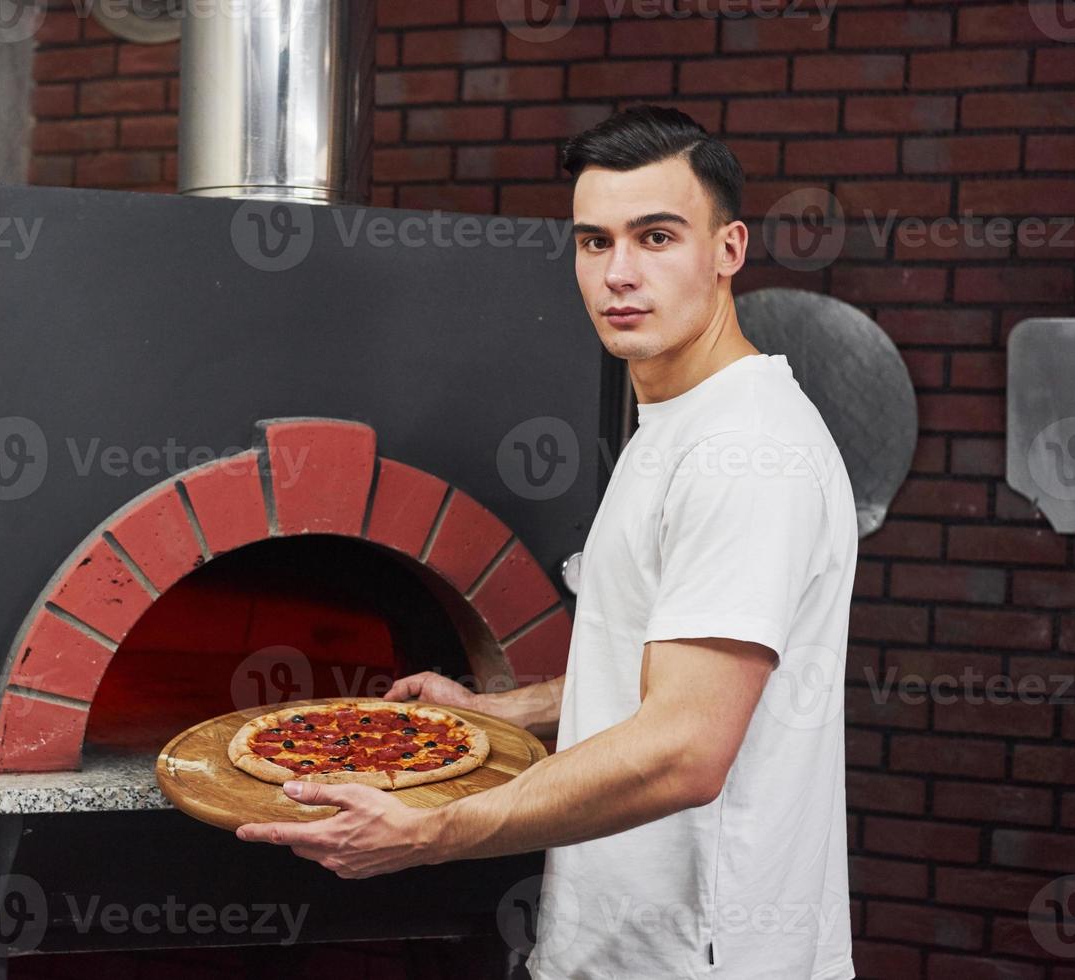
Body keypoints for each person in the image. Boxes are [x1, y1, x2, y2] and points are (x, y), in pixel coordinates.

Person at [235, 104, 859, 980]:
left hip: (701, 959)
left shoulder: (745, 454)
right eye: (594, 242)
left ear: (728, 250)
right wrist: (505, 712)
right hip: (621, 945)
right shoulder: (679, 424)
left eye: (655, 237)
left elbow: (685, 749)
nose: (618, 274)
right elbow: (658, 663)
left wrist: (432, 833)